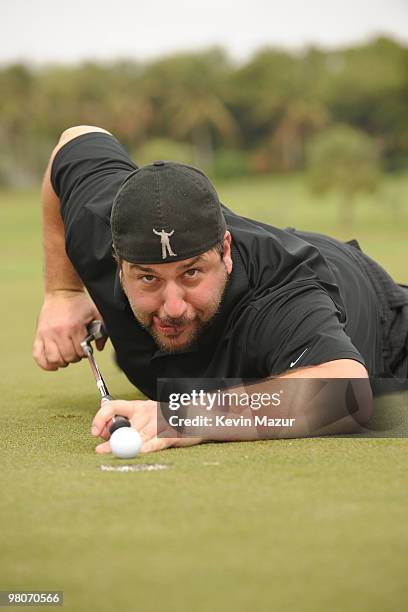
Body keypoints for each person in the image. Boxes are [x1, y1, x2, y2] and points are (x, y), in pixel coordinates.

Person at [33, 126, 408, 454]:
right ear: (118, 261)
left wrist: (185, 416)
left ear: (225, 251)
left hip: (376, 311)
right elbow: (76, 139)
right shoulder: (99, 224)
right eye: (149, 278)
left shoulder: (279, 297)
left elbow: (344, 395)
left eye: (192, 273)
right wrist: (64, 293)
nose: (173, 306)